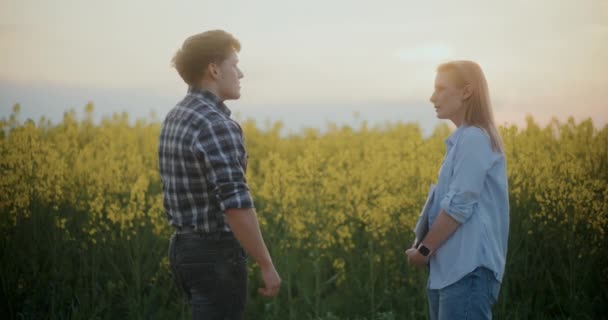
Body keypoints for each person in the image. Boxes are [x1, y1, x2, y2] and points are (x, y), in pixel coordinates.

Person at [158, 30, 281, 320]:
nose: (241, 73)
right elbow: (236, 204)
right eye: (234, 64)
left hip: (182, 249)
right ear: (214, 69)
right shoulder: (215, 124)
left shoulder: (176, 116)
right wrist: (265, 263)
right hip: (215, 255)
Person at [405, 60, 509, 320]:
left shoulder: (474, 138)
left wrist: (424, 251)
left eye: (441, 89)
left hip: (467, 271)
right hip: (450, 271)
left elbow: (459, 206)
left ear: (466, 92)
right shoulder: (464, 139)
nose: (432, 97)